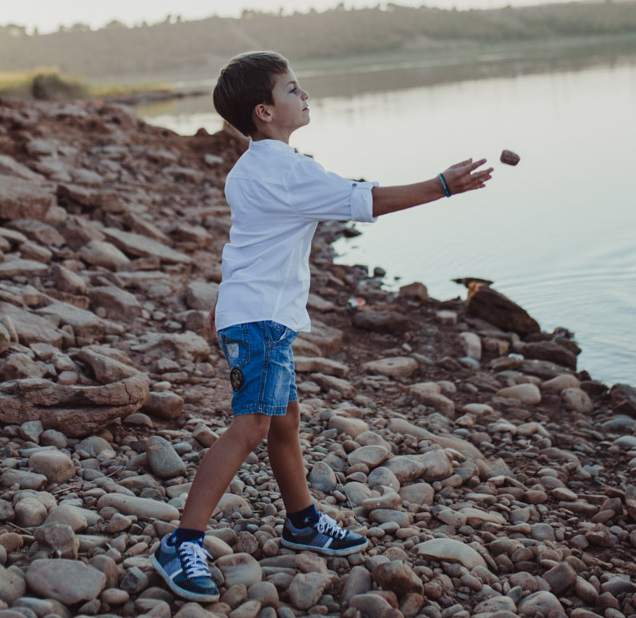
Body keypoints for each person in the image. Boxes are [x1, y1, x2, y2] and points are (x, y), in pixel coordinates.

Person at [151, 51, 493, 602]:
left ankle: (302, 519)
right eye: (292, 89)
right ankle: (182, 540)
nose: (304, 95)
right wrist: (442, 185)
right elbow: (367, 200)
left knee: (283, 419)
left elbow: (247, 242)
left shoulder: (251, 168)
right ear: (264, 111)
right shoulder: (288, 170)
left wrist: (223, 300)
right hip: (259, 316)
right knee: (252, 425)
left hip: (257, 311)